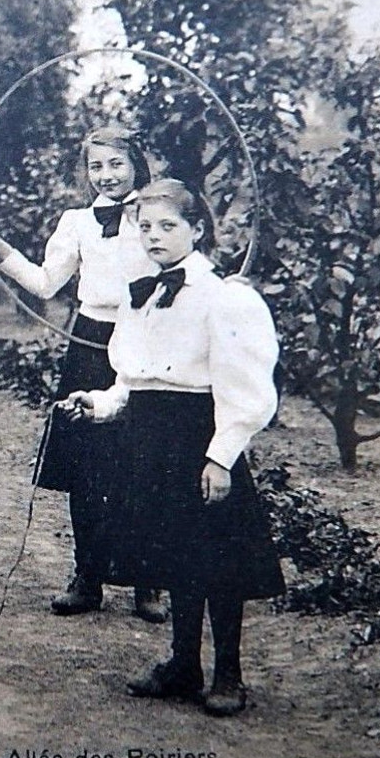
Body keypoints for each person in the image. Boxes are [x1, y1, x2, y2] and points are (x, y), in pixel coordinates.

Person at [65, 179, 284, 717]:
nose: (154, 236)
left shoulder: (225, 297)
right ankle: (182, 663)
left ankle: (228, 673)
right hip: (148, 438)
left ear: (197, 230)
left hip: (197, 436)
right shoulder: (141, 295)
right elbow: (131, 378)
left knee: (217, 559)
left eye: (168, 226)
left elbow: (245, 387)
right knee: (174, 554)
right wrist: (98, 403)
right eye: (145, 227)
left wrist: (222, 455)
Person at [0, 126, 167, 624]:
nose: (107, 175)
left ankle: (148, 581)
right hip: (91, 344)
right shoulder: (76, 221)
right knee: (89, 466)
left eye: (116, 163)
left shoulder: (156, 214)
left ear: (136, 163)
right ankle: (88, 576)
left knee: (145, 460)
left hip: (150, 336)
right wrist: (3, 254)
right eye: (96, 166)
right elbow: (46, 283)